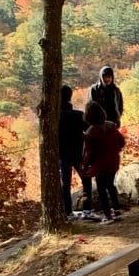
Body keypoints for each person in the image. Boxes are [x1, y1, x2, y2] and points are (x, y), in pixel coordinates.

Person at [81, 100, 124, 224]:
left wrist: (85, 165)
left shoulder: (90, 133)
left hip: (100, 164)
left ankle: (107, 215)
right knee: (110, 185)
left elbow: (89, 153)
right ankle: (116, 209)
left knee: (101, 188)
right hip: (113, 160)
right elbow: (121, 141)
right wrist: (115, 150)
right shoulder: (111, 126)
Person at [58, 84, 87, 220]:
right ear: (70, 97)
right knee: (86, 179)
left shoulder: (55, 118)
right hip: (78, 153)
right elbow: (89, 128)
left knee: (65, 184)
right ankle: (87, 208)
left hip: (62, 155)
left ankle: (67, 211)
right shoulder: (78, 115)